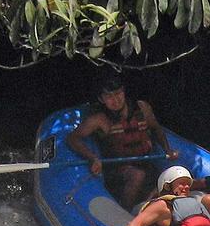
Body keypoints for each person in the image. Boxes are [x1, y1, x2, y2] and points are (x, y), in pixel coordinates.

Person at [65, 76, 177, 208]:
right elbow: (72, 138)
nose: (115, 100)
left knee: (166, 178)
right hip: (117, 169)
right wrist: (92, 157)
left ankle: (150, 208)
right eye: (109, 96)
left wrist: (167, 150)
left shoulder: (142, 108)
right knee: (137, 175)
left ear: (123, 92)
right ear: (102, 99)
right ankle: (124, 211)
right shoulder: (100, 119)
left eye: (118, 93)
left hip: (147, 163)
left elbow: (156, 128)